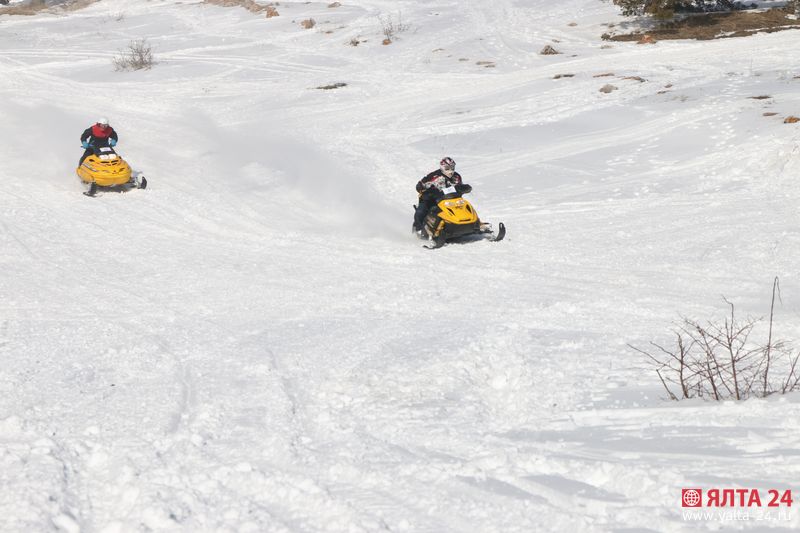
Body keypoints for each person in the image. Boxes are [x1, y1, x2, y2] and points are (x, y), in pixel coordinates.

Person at [413, 157, 463, 234]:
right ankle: (419, 229)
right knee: (421, 211)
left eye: (452, 168)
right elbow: (420, 184)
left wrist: (464, 188)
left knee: (464, 206)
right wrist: (424, 189)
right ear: (442, 167)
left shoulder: (456, 177)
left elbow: (460, 186)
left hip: (451, 199)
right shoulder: (433, 176)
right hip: (431, 199)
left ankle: (474, 223)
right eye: (447, 168)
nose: (451, 171)